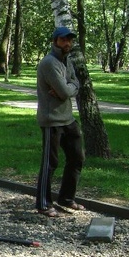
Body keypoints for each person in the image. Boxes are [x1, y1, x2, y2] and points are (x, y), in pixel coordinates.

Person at [35, 26, 86, 217]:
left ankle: (66, 198)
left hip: (68, 119)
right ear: (55, 41)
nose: (68, 43)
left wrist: (69, 86)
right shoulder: (49, 63)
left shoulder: (67, 61)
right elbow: (65, 92)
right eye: (64, 40)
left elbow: (74, 85)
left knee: (77, 157)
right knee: (50, 163)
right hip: (52, 120)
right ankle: (43, 203)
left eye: (70, 40)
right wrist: (68, 88)